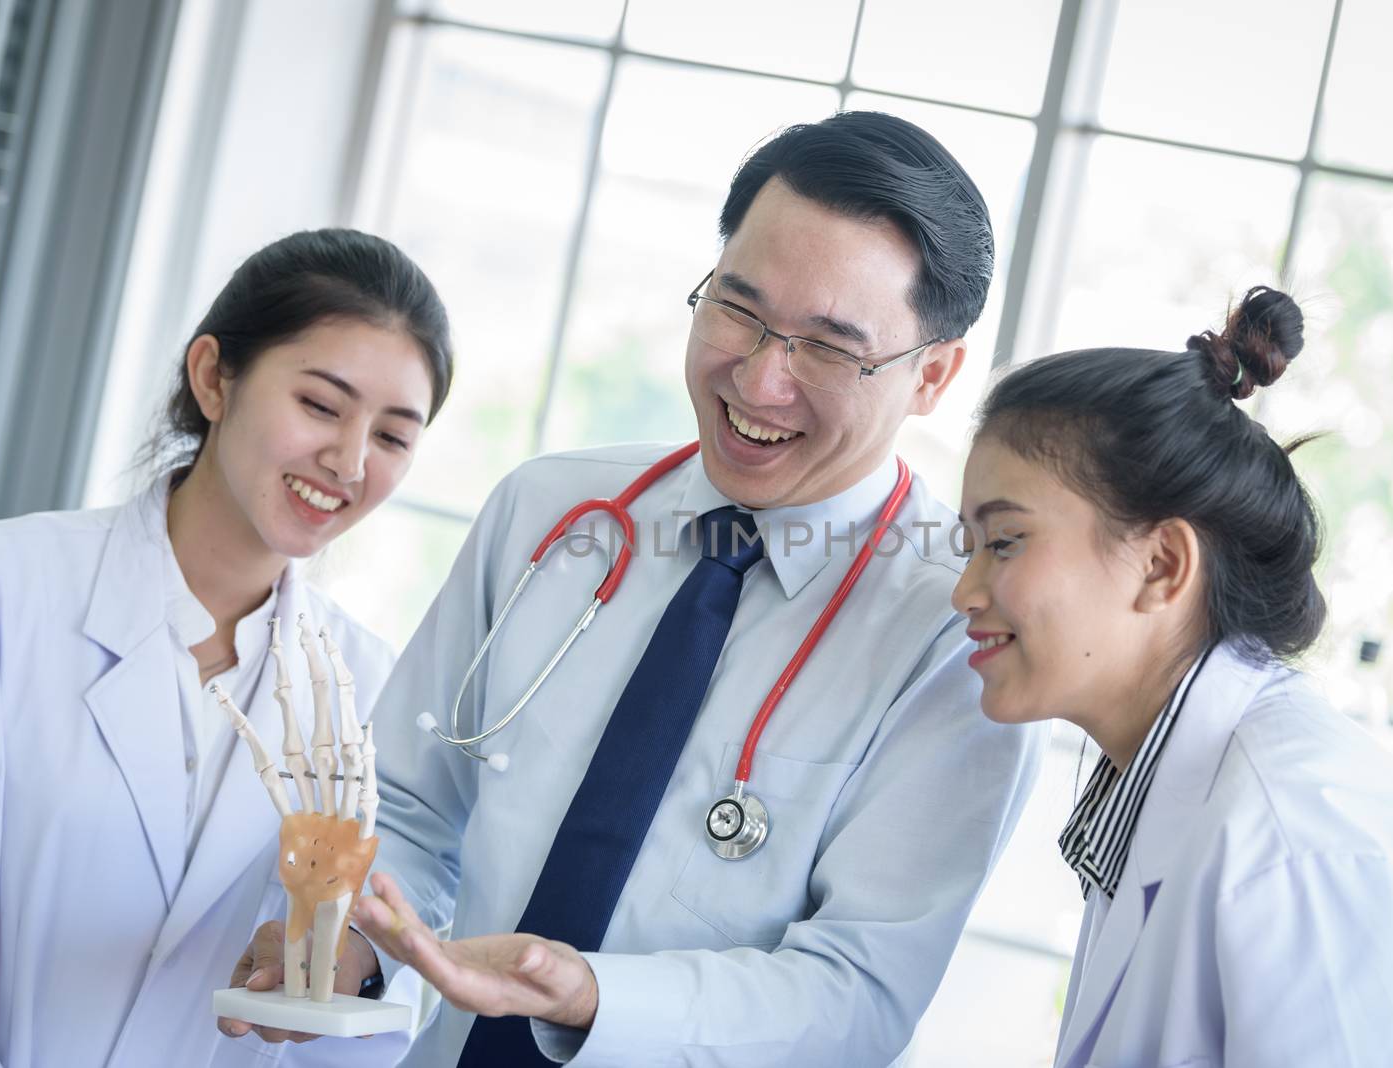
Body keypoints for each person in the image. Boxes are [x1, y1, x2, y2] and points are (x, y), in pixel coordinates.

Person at [226, 111, 1046, 1066]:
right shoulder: (550, 513)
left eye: (827, 347)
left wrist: (594, 1000)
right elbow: (408, 807)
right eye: (738, 308)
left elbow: (857, 995)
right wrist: (353, 945)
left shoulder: (958, 632)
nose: (759, 379)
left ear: (933, 377)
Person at [952, 286, 1393, 1067]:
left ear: (1162, 565)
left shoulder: (1302, 849)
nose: (964, 590)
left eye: (1003, 542)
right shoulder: (1171, 785)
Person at [0, 228, 454, 1068]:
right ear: (214, 377)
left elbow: (362, 1030)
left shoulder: (370, 692)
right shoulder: (10, 591)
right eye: (320, 405)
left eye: (392, 437)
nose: (349, 461)